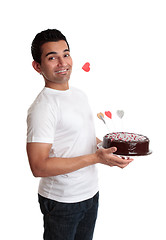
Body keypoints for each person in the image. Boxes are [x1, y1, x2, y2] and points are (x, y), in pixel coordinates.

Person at [26, 29, 133, 240]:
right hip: (62, 201)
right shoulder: (43, 107)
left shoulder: (78, 95)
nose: (62, 62)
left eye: (65, 54)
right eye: (52, 57)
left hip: (90, 194)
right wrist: (96, 158)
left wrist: (108, 148)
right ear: (37, 66)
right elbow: (38, 166)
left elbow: (81, 138)